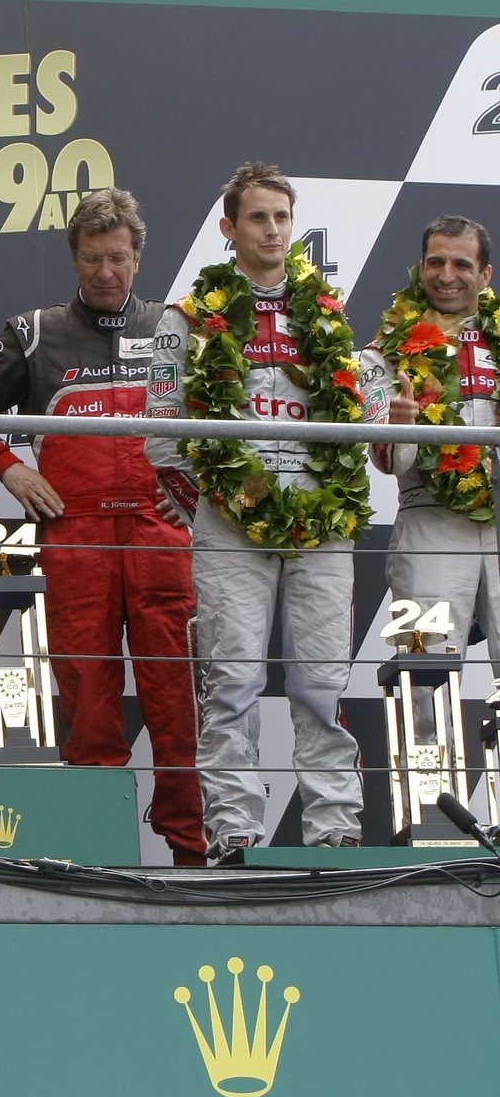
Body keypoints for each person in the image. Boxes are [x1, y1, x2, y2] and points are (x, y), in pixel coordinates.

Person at [0, 189, 203, 864]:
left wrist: (197, 489)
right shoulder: (34, 332)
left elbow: (224, 427)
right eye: (92, 260)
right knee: (87, 700)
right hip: (78, 539)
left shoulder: (178, 330)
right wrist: (8, 466)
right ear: (74, 258)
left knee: (178, 701)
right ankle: (101, 854)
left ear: (138, 257)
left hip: (162, 540)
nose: (106, 273)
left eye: (117, 258)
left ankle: (193, 853)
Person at [146, 161, 385, 862]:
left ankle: (335, 831)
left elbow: (361, 420)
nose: (273, 229)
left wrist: (379, 397)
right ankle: (234, 833)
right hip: (229, 527)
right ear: (229, 228)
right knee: (234, 682)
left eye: (283, 216)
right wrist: (223, 515)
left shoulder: (330, 314)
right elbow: (164, 438)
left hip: (321, 527)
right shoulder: (184, 318)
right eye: (258, 216)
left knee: (321, 681)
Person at [362, 216, 499, 686]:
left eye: (462, 264)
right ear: (420, 268)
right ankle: (429, 763)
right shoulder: (384, 351)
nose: (446, 275)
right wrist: (400, 428)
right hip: (429, 518)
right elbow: (382, 460)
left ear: (485, 275)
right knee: (424, 678)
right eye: (435, 262)